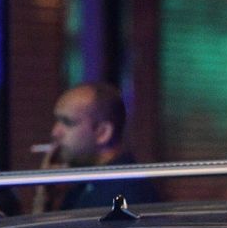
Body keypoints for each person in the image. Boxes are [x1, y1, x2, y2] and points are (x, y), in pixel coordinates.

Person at [35, 82, 161, 212]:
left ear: (103, 133)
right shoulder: (85, 182)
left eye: (67, 122)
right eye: (57, 121)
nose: (55, 132)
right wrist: (46, 197)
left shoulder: (125, 193)